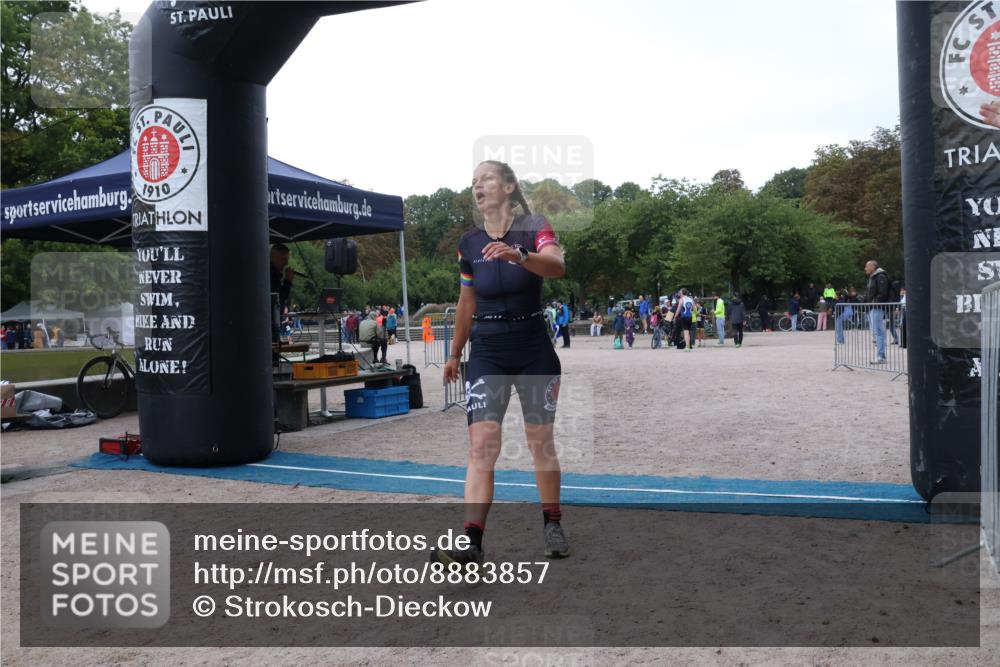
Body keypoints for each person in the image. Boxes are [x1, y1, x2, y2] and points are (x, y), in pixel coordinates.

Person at [432, 159, 569, 569]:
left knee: (539, 443)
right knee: (481, 445)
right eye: (473, 181)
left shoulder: (535, 226)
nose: (478, 186)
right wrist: (455, 353)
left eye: (486, 178)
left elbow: (557, 265)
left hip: (532, 348)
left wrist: (519, 255)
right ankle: (471, 541)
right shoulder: (469, 243)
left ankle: (552, 523)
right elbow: (466, 302)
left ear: (508, 186)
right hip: (487, 350)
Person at [862, 260, 890, 364]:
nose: (865, 268)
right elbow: (869, 293)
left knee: (879, 332)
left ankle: (881, 356)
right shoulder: (873, 277)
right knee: (877, 332)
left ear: (873, 267)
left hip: (877, 308)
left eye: (866, 266)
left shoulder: (880, 276)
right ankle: (880, 355)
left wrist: (873, 303)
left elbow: (882, 293)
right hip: (872, 308)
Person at [269, 244, 294, 342]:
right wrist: (288, 281)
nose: (286, 263)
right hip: (271, 322)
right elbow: (280, 297)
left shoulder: (275, 274)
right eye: (284, 259)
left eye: (287, 259)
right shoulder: (271, 275)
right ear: (274, 257)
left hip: (274, 321)